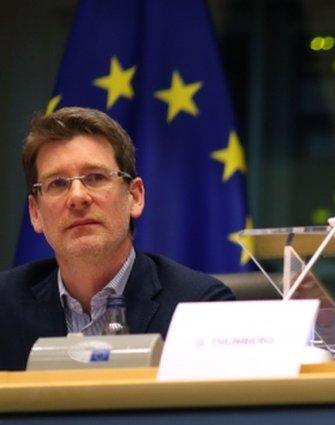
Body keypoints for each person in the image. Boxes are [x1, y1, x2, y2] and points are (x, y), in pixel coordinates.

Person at [0, 107, 234, 370]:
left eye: (96, 178)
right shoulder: (4, 305)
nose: (77, 197)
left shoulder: (198, 307)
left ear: (135, 197)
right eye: (57, 184)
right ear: (35, 213)